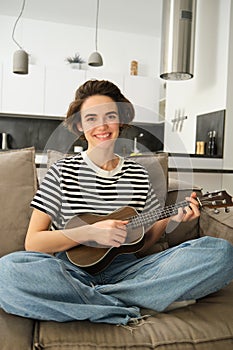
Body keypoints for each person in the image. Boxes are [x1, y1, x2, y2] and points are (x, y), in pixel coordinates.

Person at [0, 80, 232, 325]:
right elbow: (33, 242)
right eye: (91, 118)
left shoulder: (138, 175)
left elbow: (140, 245)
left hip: (130, 272)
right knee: (8, 272)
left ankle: (93, 303)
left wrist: (169, 220)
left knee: (221, 254)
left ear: (120, 120)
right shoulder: (61, 172)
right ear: (80, 124)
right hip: (69, 273)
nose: (102, 126)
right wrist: (89, 232)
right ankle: (129, 306)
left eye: (109, 116)